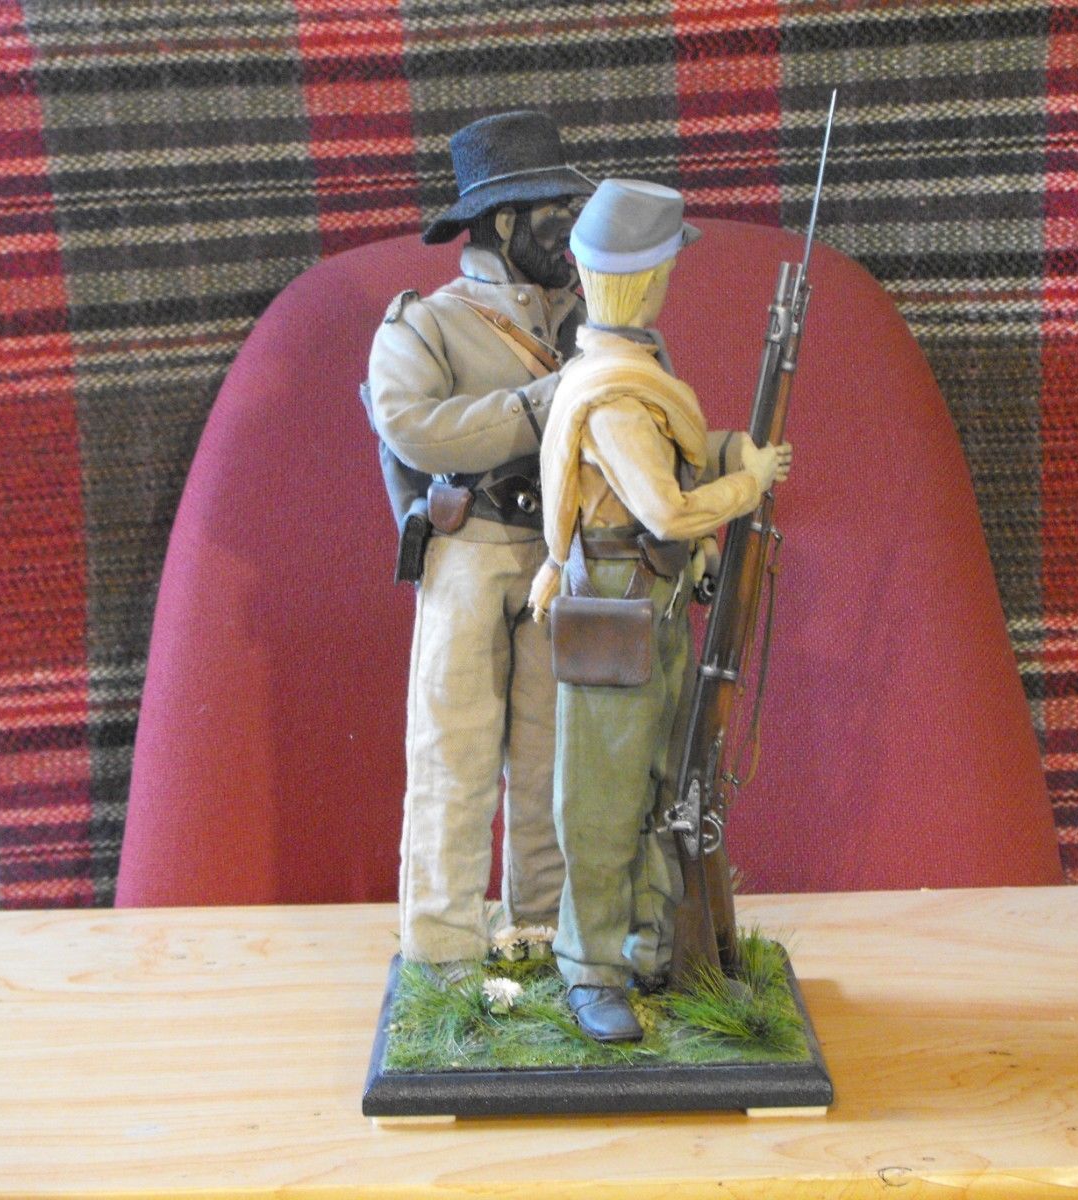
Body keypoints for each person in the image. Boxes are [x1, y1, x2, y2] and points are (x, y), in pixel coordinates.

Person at [529, 179, 792, 1042]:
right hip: (616, 603)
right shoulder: (614, 394)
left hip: (655, 600)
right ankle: (591, 967)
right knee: (601, 802)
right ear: (644, 281)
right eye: (665, 273)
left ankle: (651, 949)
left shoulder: (637, 369)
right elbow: (666, 509)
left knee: (663, 787)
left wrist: (728, 449)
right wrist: (747, 483)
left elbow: (669, 463)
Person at [364, 111, 593, 975]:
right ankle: (443, 955)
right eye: (555, 216)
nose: (571, 234)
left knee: (550, 762)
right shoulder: (424, 326)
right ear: (504, 222)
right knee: (452, 756)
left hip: (559, 554)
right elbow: (412, 427)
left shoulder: (590, 324)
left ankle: (540, 935)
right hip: (468, 555)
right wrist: (544, 404)